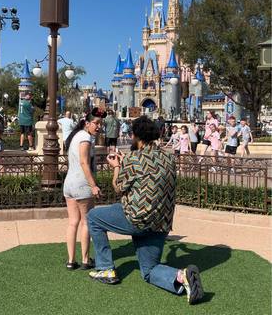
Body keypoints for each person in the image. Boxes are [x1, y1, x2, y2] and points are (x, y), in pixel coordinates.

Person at [87, 116, 204, 305]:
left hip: (137, 219)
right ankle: (182, 277)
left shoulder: (134, 158)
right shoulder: (168, 156)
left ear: (135, 136)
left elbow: (118, 187)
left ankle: (105, 268)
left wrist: (117, 167)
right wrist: (127, 164)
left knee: (93, 217)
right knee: (149, 270)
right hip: (160, 223)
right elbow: (146, 176)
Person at [63, 108, 106, 271]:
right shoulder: (85, 138)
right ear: (87, 123)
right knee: (86, 222)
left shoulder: (75, 136)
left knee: (73, 222)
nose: (98, 126)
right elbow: (84, 163)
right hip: (82, 185)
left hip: (69, 184)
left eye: (100, 123)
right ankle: (86, 260)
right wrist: (93, 185)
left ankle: (70, 260)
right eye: (96, 123)